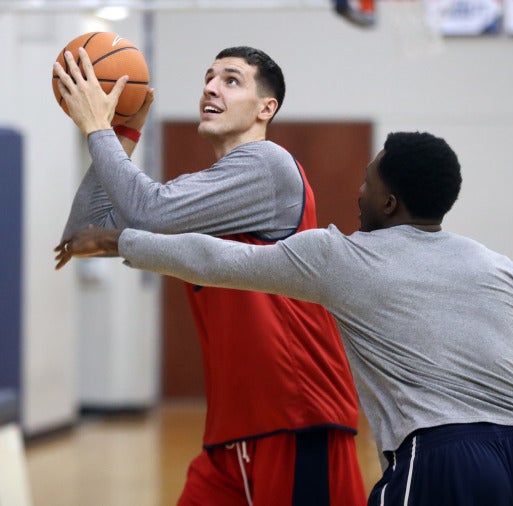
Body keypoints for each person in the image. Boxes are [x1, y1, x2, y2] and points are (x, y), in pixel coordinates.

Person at [57, 131, 513, 506]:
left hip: (442, 458)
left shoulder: (344, 257)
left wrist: (119, 239)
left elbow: (218, 260)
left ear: (390, 202)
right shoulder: (502, 267)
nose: (358, 192)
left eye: (368, 184)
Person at [53, 46, 366, 505]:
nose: (211, 87)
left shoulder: (269, 165)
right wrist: (123, 130)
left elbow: (148, 213)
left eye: (231, 80)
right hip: (230, 432)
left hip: (298, 418)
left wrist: (98, 128)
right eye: (208, 78)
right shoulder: (206, 191)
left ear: (266, 108)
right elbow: (83, 230)